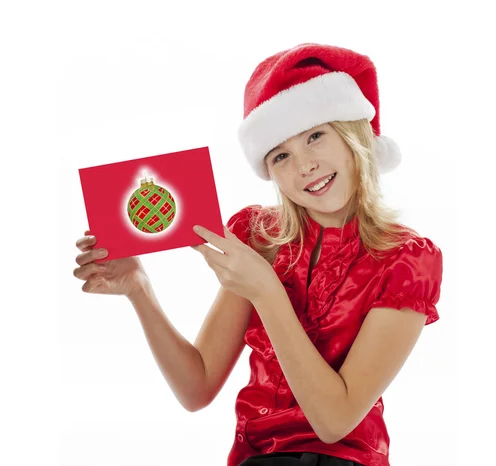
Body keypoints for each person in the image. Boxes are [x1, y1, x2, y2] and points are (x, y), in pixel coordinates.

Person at [72, 43, 443, 466]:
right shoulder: (258, 236)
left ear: (353, 135)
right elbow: (197, 388)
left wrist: (267, 292)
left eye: (315, 136)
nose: (304, 165)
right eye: (281, 155)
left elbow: (334, 421)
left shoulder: (408, 260)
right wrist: (140, 290)